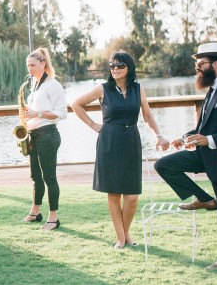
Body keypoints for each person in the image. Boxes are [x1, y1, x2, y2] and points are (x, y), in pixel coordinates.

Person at [154, 42, 217, 269]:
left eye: (201, 63)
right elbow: (203, 128)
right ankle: (205, 199)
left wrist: (210, 140)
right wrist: (184, 137)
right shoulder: (211, 91)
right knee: (164, 165)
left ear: (215, 64)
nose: (197, 68)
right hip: (204, 154)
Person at [71, 52, 169, 249]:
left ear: (129, 68)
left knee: (132, 196)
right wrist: (93, 125)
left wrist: (158, 135)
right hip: (109, 142)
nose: (115, 69)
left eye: (119, 65)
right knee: (114, 194)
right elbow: (76, 104)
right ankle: (122, 238)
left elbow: (147, 116)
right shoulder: (103, 89)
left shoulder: (138, 89)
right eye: (112, 65)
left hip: (131, 141)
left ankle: (125, 233)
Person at [21, 47, 67, 231]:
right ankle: (35, 212)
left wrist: (37, 113)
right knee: (35, 177)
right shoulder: (35, 85)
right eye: (28, 66)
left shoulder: (53, 85)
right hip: (33, 135)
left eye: (32, 65)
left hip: (48, 134)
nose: (29, 69)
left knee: (49, 177)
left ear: (43, 63)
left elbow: (62, 113)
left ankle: (53, 218)